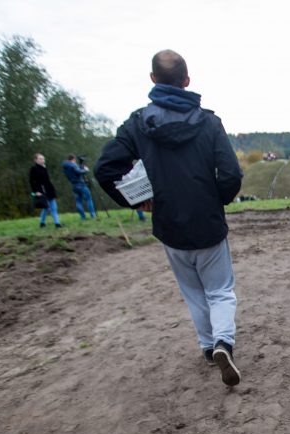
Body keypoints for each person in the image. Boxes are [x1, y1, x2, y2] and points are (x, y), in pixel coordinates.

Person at [95, 49, 244, 386]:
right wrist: (216, 200)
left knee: (194, 293)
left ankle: (209, 348)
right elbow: (232, 174)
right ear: (187, 81)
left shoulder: (137, 124)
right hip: (207, 224)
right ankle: (223, 343)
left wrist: (137, 200)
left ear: (152, 80)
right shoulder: (209, 122)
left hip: (169, 227)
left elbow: (105, 169)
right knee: (220, 291)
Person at [29, 153, 62, 228]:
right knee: (46, 208)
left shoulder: (44, 168)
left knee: (53, 207)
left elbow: (47, 180)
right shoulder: (34, 169)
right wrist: (36, 191)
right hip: (41, 191)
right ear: (35, 160)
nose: (42, 160)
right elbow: (32, 182)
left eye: (43, 159)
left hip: (49, 190)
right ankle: (44, 223)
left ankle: (56, 223)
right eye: (40, 159)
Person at [62, 155, 99, 220]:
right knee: (89, 199)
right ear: (73, 159)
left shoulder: (65, 167)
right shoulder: (73, 165)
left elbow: (74, 172)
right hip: (81, 184)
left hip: (74, 185)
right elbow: (78, 172)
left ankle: (83, 217)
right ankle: (93, 215)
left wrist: (79, 167)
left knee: (78, 201)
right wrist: (85, 170)